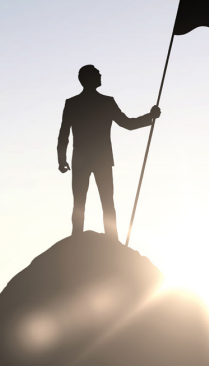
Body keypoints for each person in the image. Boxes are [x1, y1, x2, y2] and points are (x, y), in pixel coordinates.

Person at [58, 65, 161, 238]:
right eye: (97, 73)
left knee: (84, 203)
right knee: (102, 202)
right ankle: (108, 240)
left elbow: (64, 135)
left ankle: (84, 239)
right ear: (88, 78)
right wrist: (150, 117)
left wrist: (62, 159)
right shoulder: (102, 102)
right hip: (98, 159)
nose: (100, 75)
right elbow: (127, 124)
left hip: (85, 160)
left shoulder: (76, 103)